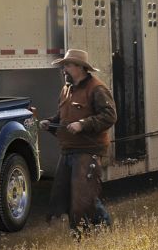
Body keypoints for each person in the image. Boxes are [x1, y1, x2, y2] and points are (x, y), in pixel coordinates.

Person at [39, 49, 118, 234]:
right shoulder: (66, 89)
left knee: (83, 198)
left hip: (87, 150)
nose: (64, 69)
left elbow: (110, 116)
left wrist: (83, 125)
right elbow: (63, 116)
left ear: (80, 67)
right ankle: (91, 232)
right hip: (68, 150)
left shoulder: (97, 88)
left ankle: (97, 232)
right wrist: (50, 123)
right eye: (63, 65)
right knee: (68, 195)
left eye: (67, 65)